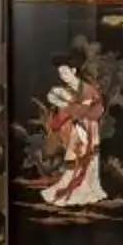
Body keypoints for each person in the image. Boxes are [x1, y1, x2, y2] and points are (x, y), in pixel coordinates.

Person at [37, 64, 108, 207]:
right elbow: (64, 114)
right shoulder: (65, 92)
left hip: (90, 127)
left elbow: (99, 108)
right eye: (61, 75)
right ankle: (72, 189)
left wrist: (83, 111)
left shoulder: (88, 89)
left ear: (73, 71)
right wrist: (72, 111)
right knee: (74, 157)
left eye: (65, 72)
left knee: (91, 159)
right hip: (77, 129)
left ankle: (90, 189)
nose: (64, 76)